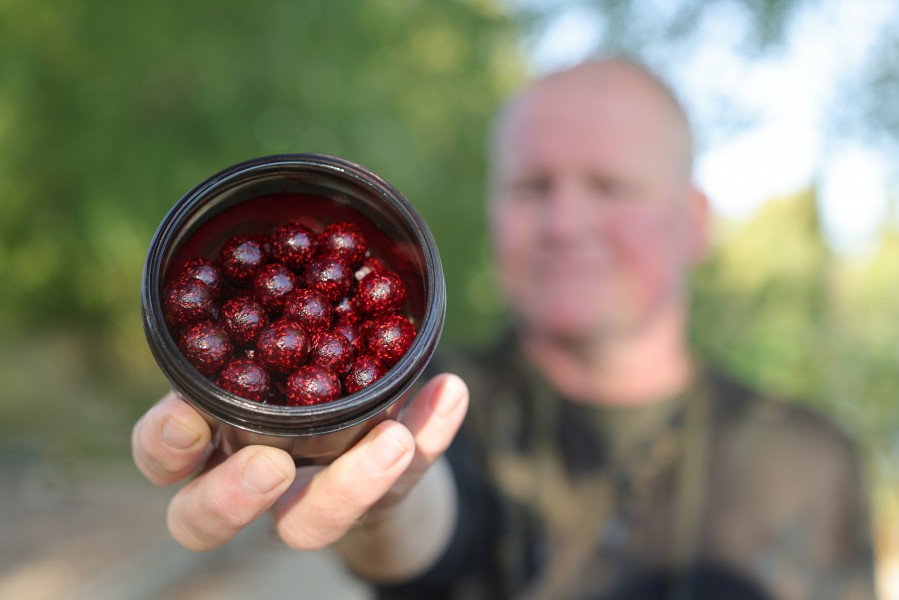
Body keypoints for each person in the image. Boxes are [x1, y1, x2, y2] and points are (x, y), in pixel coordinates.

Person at [132, 58, 877, 599]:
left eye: (608, 185)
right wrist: (363, 476)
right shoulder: (446, 395)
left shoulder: (808, 458)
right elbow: (431, 515)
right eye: (531, 187)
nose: (562, 222)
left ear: (692, 222)